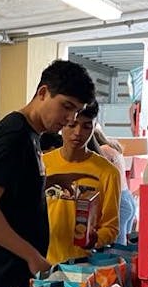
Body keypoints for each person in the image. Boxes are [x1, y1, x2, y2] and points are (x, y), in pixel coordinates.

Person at [0, 59, 96, 287]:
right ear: (42, 92)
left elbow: (11, 188)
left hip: (15, 274)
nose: (70, 119)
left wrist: (52, 182)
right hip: (2, 278)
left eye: (77, 111)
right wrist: (32, 255)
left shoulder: (31, 135)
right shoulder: (12, 135)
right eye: (67, 106)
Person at [43, 102, 121, 265]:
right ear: (63, 123)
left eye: (86, 126)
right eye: (72, 125)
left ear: (94, 128)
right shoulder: (43, 164)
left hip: (81, 265)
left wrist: (95, 239)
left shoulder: (107, 172)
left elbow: (111, 227)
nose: (78, 133)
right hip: (40, 259)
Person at [89, 128, 136, 245]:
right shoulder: (113, 147)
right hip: (127, 197)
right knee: (124, 243)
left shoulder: (103, 151)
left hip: (118, 200)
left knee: (117, 246)